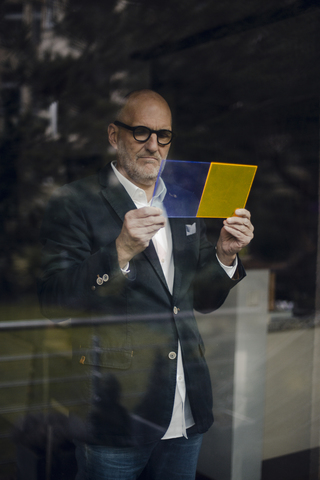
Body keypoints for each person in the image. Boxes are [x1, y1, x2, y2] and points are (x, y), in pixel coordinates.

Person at [38, 89, 254, 480]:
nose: (153, 145)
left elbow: (200, 301)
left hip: (185, 408)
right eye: (141, 132)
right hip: (114, 415)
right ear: (113, 135)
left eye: (163, 135)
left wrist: (223, 255)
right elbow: (54, 302)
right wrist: (119, 250)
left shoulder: (185, 200)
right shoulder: (73, 201)